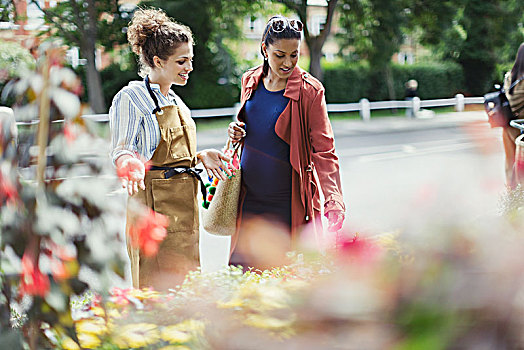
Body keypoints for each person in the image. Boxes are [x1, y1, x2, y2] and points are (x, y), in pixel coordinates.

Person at [109, 8, 230, 290]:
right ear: (157, 60)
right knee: (156, 286)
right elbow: (121, 149)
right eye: (181, 61)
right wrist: (128, 162)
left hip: (184, 205)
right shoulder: (131, 97)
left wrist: (200, 156)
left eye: (190, 60)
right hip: (153, 206)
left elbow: (176, 156)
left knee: (186, 284)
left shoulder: (176, 100)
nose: (189, 67)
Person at [227, 15, 346, 269]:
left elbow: (325, 151)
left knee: (281, 278)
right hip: (249, 200)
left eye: (294, 55)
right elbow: (256, 126)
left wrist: (333, 198)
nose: (288, 63)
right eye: (280, 55)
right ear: (264, 48)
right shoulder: (249, 81)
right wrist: (237, 131)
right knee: (242, 275)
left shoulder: (310, 91)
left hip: (286, 203)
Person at [501, 43, 524, 189]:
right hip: (522, 127)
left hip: (509, 126)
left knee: (510, 164)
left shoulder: (509, 77)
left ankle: (510, 197)